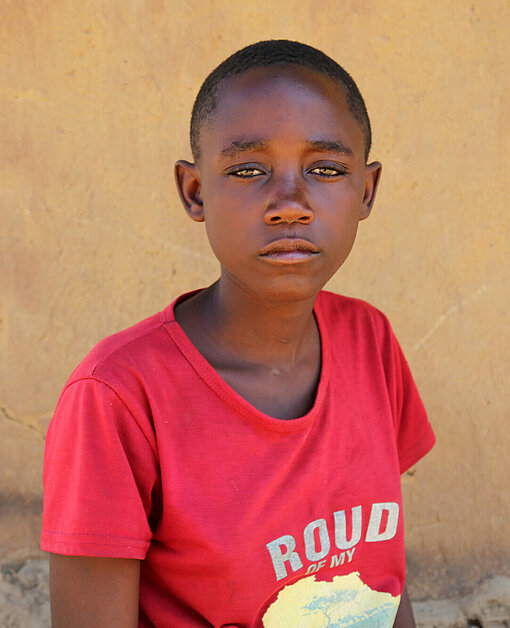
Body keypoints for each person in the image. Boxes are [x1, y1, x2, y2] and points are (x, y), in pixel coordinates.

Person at [41, 40, 435, 627]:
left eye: (325, 170)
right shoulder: (118, 396)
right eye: (248, 170)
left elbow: (376, 580)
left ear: (367, 192)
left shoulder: (370, 342)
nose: (290, 204)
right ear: (194, 191)